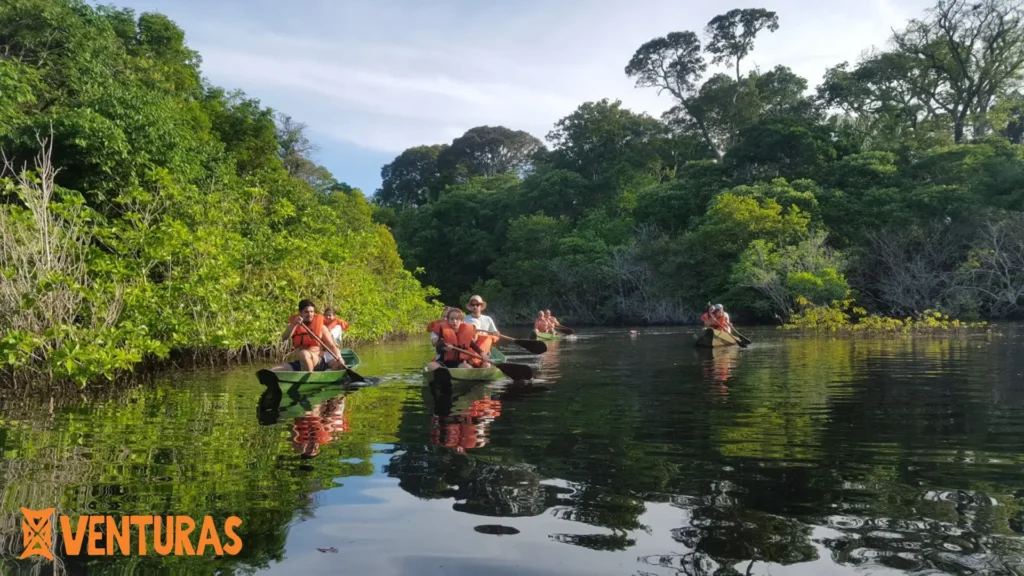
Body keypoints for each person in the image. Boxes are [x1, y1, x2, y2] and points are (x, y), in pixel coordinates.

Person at [272, 299, 347, 372]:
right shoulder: (294, 325)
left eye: (311, 312)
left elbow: (331, 346)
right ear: (300, 313)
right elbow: (284, 337)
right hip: (300, 363)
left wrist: (339, 358)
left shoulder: (321, 327)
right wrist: (294, 324)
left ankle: (309, 377)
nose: (310, 314)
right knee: (273, 370)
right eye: (306, 312)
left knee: (304, 353)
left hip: (318, 361)